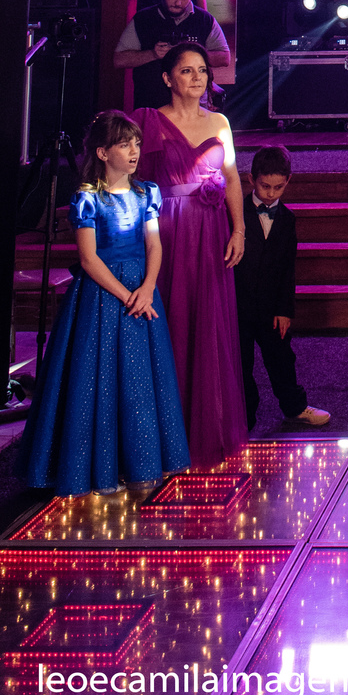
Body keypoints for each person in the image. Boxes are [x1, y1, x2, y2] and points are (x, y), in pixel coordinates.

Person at [18, 112, 190, 496]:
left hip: (142, 293)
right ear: (102, 152)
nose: (134, 151)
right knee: (97, 378)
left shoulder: (146, 193)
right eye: (125, 145)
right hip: (101, 297)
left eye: (137, 144)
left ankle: (139, 463)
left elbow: (154, 245)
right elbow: (88, 259)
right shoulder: (88, 198)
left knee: (139, 380)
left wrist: (147, 288)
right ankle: (97, 467)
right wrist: (128, 296)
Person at [135, 42, 249, 467]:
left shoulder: (219, 121)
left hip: (212, 228)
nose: (198, 77)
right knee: (173, 319)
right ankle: (165, 433)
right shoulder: (149, 121)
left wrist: (239, 229)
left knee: (210, 321)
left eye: (202, 70)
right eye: (187, 71)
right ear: (168, 78)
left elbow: (231, 176)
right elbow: (135, 183)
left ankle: (209, 429)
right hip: (168, 228)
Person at [234, 145, 330, 432]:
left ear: (288, 181)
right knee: (241, 364)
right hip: (237, 304)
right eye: (265, 186)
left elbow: (288, 267)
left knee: (282, 359)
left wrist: (285, 309)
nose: (271, 193)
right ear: (251, 179)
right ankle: (245, 418)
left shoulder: (287, 218)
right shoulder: (235, 213)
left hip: (271, 306)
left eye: (278, 187)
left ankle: (295, 408)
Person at [114, 0, 231, 111]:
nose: (178, 3)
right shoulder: (143, 19)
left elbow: (224, 58)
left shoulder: (205, 20)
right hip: (151, 106)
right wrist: (153, 54)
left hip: (193, 108)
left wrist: (191, 54)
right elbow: (119, 60)